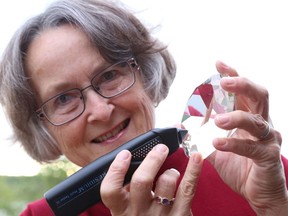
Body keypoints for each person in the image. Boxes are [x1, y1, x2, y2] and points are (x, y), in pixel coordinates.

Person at [0, 0, 287, 215]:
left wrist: (274, 207)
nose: (100, 111)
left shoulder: (260, 171)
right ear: (43, 126)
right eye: (63, 99)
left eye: (110, 75)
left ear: (146, 75)